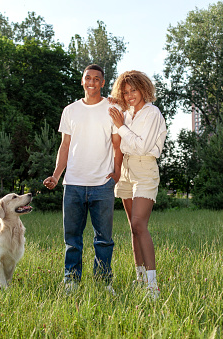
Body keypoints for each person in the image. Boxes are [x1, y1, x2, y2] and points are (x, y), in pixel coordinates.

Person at [43, 64, 122, 294]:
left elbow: (118, 145)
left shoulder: (112, 108)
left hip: (102, 185)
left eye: (97, 79)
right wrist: (57, 175)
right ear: (82, 81)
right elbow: (65, 145)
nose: (92, 82)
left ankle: (103, 282)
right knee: (72, 239)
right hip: (74, 184)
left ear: (103, 83)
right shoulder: (70, 110)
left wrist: (116, 173)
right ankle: (71, 281)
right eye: (88, 78)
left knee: (104, 239)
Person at [108, 70, 167, 299]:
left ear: (144, 88)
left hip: (144, 168)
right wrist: (119, 112)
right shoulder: (128, 113)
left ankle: (153, 285)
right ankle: (140, 278)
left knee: (139, 224)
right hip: (126, 170)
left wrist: (121, 125)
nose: (130, 95)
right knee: (133, 229)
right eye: (125, 92)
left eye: (134, 90)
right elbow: (121, 144)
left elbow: (141, 147)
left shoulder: (152, 113)